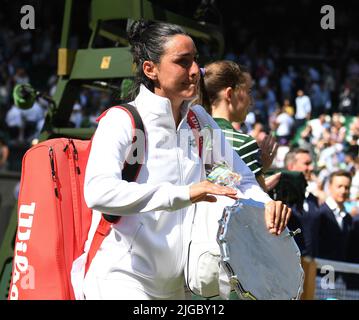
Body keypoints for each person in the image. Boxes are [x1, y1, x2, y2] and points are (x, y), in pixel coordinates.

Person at [71, 20, 291, 300]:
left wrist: (267, 205)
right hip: (119, 279)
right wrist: (186, 193)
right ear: (150, 69)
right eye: (182, 62)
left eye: (195, 60)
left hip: (177, 288)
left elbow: (239, 179)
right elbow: (98, 192)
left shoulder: (199, 123)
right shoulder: (120, 121)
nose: (195, 71)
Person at [200, 60, 280, 192]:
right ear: (230, 94)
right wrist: (260, 172)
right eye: (248, 91)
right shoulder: (243, 144)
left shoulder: (191, 132)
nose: (252, 101)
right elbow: (258, 206)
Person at [284, 148, 320, 257]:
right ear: (291, 167)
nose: (311, 168)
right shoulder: (280, 198)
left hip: (311, 266)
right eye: (306, 164)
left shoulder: (312, 199)